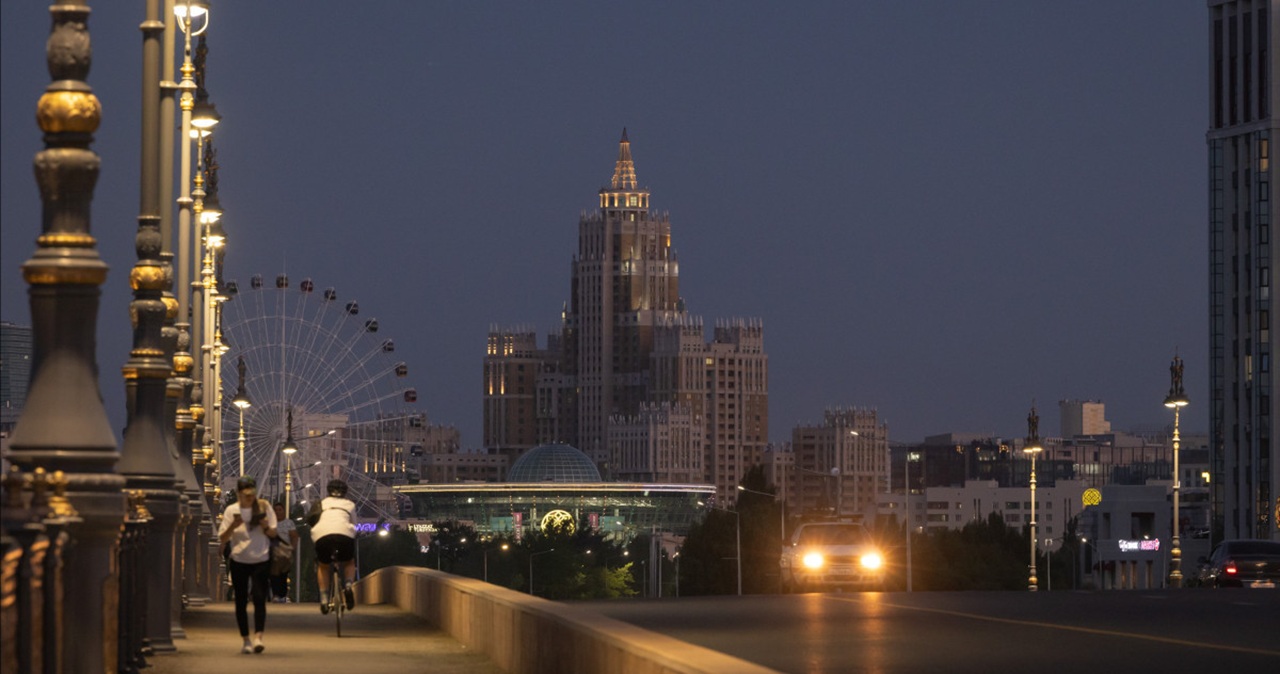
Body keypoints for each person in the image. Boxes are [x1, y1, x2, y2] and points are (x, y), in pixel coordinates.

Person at [217, 476, 278, 654]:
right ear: (239, 495)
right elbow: (222, 537)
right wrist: (233, 526)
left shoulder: (264, 507)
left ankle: (258, 637)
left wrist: (265, 525)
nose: (249, 499)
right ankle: (245, 639)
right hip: (239, 559)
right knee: (241, 601)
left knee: (260, 598)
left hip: (261, 559)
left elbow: (273, 534)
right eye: (245, 495)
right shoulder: (231, 511)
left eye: (251, 495)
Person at [309, 479, 357, 613]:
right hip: (344, 536)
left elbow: (311, 520)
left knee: (323, 566)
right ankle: (348, 586)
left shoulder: (321, 503)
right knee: (349, 562)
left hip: (322, 535)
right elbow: (354, 524)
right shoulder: (350, 505)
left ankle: (324, 598)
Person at [269, 503, 299, 602]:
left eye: (280, 509)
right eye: (275, 510)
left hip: (285, 551)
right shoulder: (270, 524)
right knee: (274, 573)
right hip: (272, 551)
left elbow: (294, 536)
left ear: (284, 511)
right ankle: (276, 594)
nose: (277, 512)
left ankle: (281, 594)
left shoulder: (289, 523)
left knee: (283, 574)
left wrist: (292, 549)